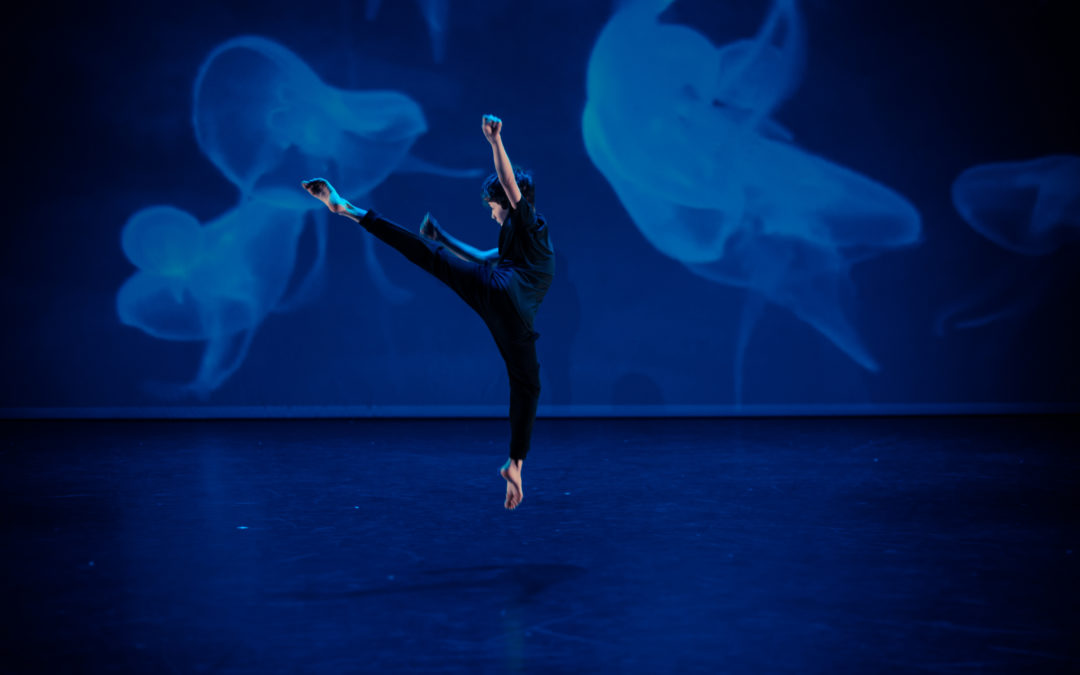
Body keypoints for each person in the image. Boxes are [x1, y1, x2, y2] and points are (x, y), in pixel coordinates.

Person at [301, 114, 554, 510]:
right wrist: (442, 237)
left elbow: (509, 184)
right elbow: (481, 256)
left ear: (507, 204)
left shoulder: (530, 222)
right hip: (512, 315)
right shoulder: (521, 240)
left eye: (493, 207)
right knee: (527, 386)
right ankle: (516, 465)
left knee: (425, 256)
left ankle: (349, 209)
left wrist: (495, 142)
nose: (491, 213)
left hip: (501, 295)